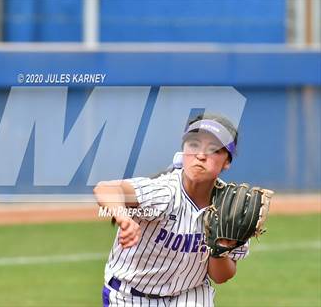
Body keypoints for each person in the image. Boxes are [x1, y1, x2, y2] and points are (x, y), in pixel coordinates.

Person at [93, 113, 248, 307]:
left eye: (214, 149)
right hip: (131, 297)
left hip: (191, 296)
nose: (200, 155)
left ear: (227, 161)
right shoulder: (165, 192)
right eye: (193, 145)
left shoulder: (230, 207)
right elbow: (106, 189)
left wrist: (220, 250)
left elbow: (221, 276)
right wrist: (125, 219)